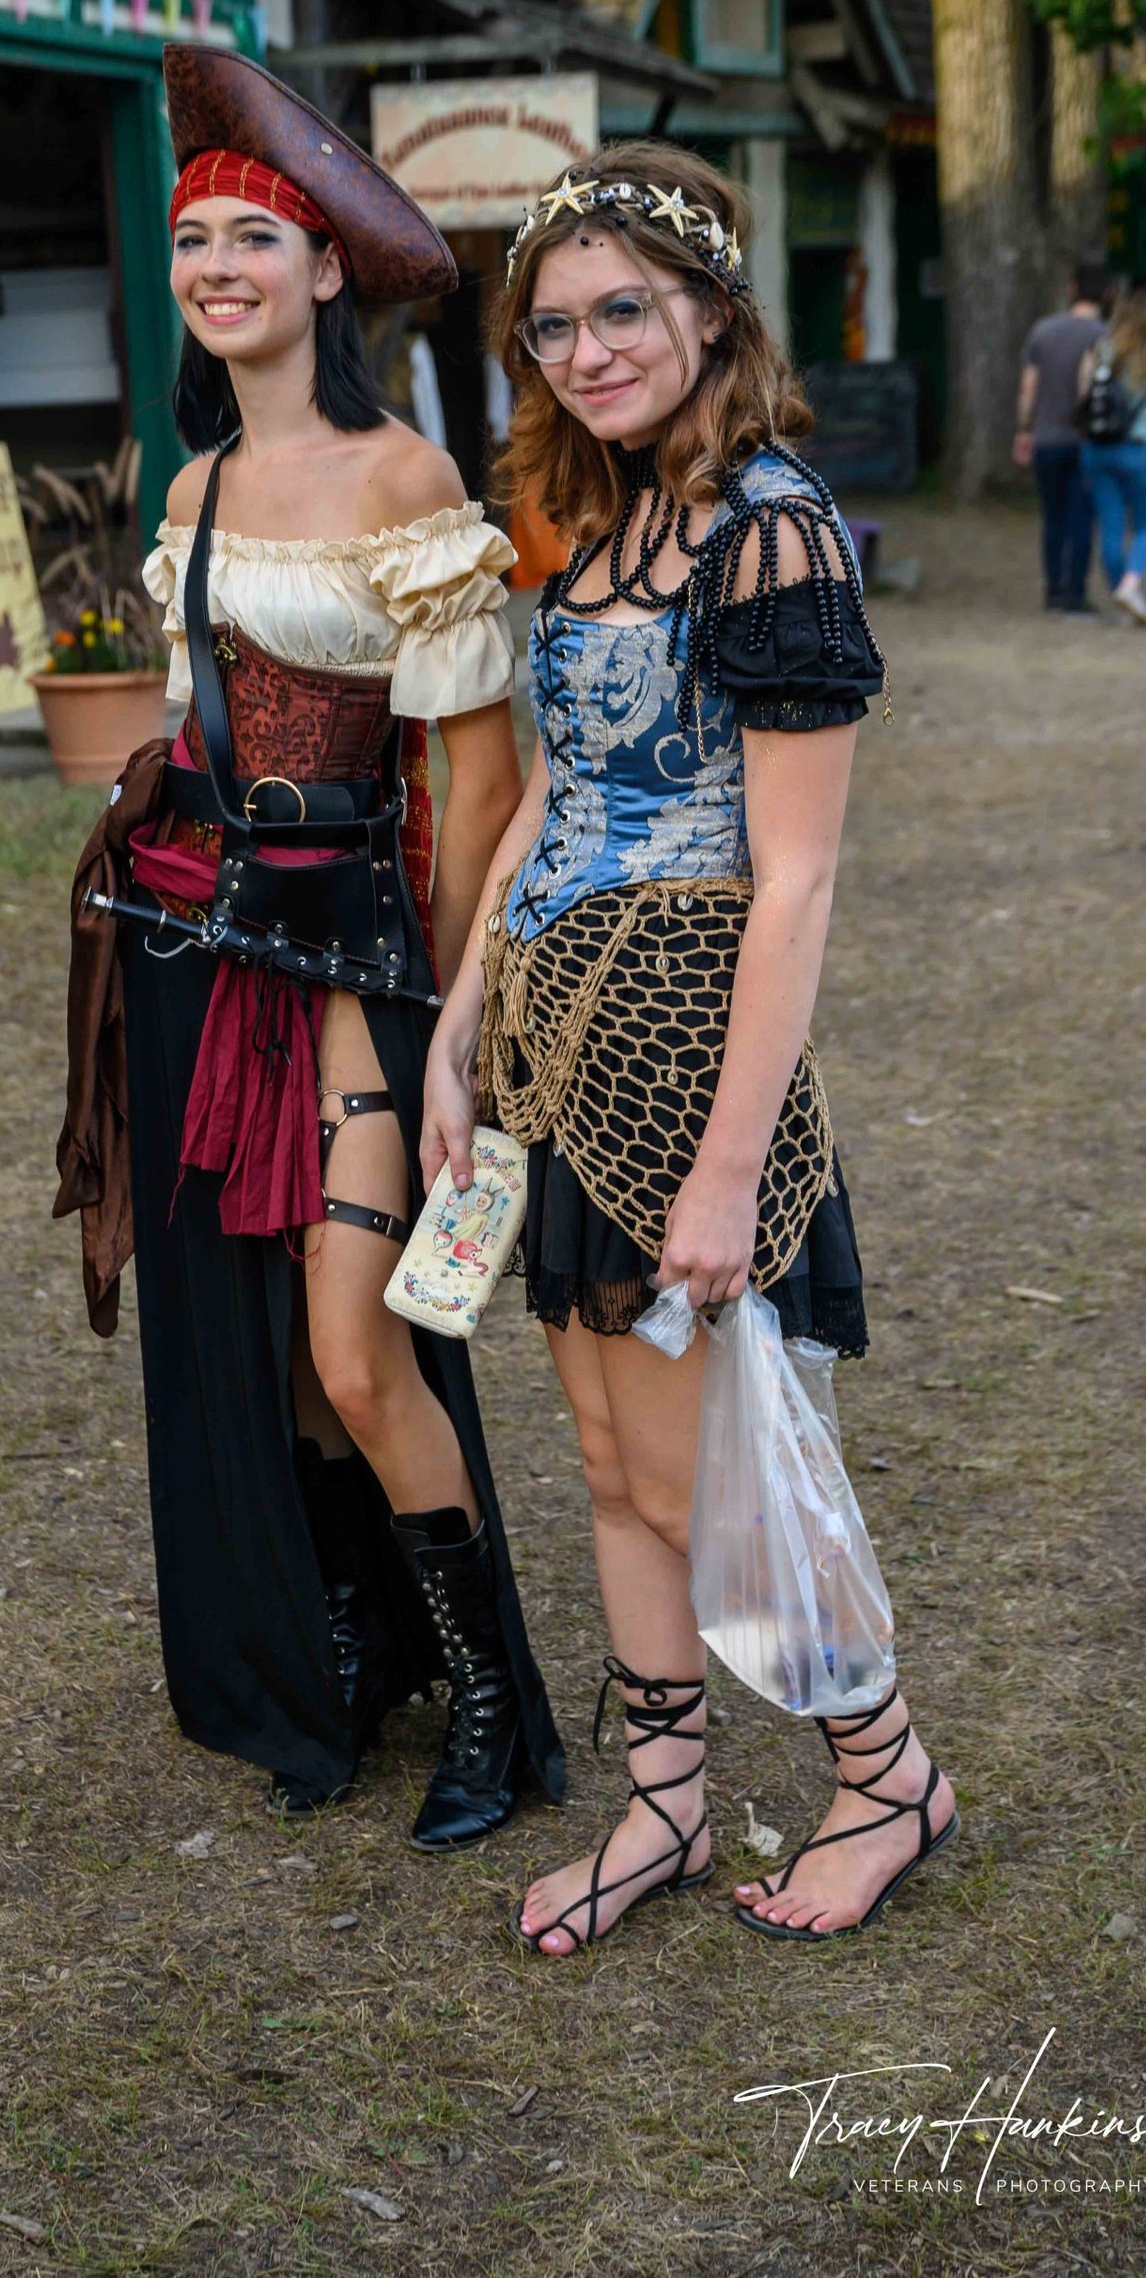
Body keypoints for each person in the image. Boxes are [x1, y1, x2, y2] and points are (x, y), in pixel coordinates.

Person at [421, 142, 958, 1950]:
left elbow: (795, 880)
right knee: (605, 1460)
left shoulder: (770, 532)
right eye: (553, 326)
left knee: (702, 1466)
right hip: (554, 1040)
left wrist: (729, 1173)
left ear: (714, 313)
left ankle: (887, 1779)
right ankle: (665, 1803)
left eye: (623, 312)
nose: (586, 352)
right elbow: (550, 793)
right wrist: (458, 1026)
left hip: (680, 1056)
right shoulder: (611, 516)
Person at [56, 45, 564, 1844]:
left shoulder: (404, 474)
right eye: (192, 240)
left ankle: (490, 1695)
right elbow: (191, 727)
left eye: (253, 240)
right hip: (205, 948)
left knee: (359, 1349)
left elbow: (481, 781)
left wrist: (447, 1017)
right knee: (268, 1341)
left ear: (326, 268)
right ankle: (347, 1646)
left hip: (366, 958)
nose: (217, 268)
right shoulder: (191, 492)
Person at [1077, 284, 1146, 627]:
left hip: (1098, 448)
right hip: (1141, 445)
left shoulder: (1098, 346)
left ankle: (1122, 603)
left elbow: (1083, 397)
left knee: (1110, 526)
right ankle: (1130, 584)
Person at [1014, 262, 1109, 614]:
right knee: (1082, 518)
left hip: (1047, 437)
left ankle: (1053, 589)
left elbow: (1028, 387)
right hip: (1087, 440)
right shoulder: (1104, 335)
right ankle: (1075, 593)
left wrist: (1024, 429)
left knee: (1052, 517)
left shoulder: (1043, 331)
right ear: (1107, 293)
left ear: (1072, 288)